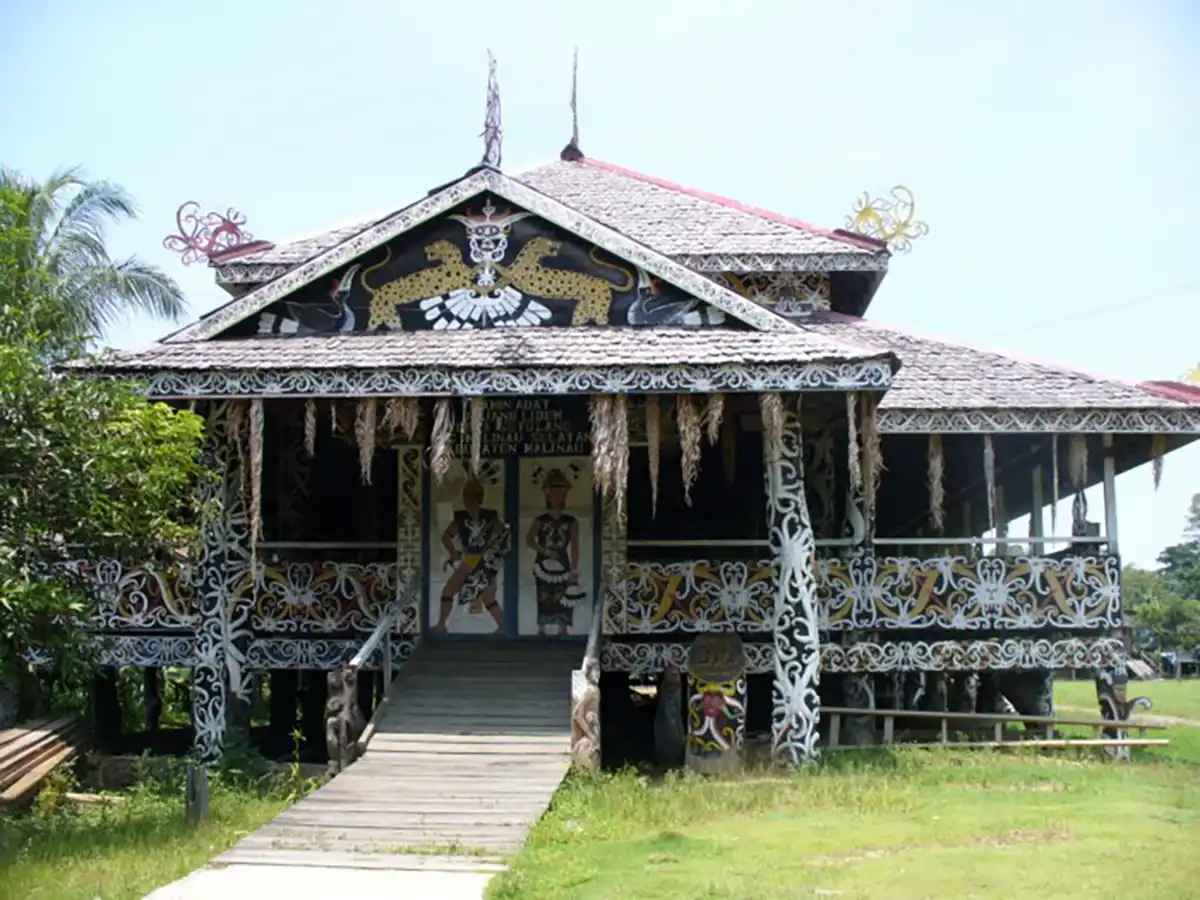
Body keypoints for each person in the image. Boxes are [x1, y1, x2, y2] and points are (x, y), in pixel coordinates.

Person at [435, 478, 506, 633]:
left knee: (456, 591)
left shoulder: (488, 517)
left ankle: (441, 624)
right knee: (486, 595)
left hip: (478, 559)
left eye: (469, 495)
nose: (466, 499)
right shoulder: (464, 517)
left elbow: (503, 534)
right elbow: (446, 537)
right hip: (476, 559)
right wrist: (454, 554)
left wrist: (495, 552)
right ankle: (441, 624)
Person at [525, 468, 581, 635]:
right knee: (543, 595)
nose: (557, 496)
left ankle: (562, 628)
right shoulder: (540, 520)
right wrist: (545, 552)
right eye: (554, 492)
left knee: (562, 596)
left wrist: (575, 569)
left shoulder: (571, 521)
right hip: (543, 560)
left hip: (562, 560)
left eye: (560, 493)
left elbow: (575, 545)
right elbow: (529, 540)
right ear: (548, 495)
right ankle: (542, 627)